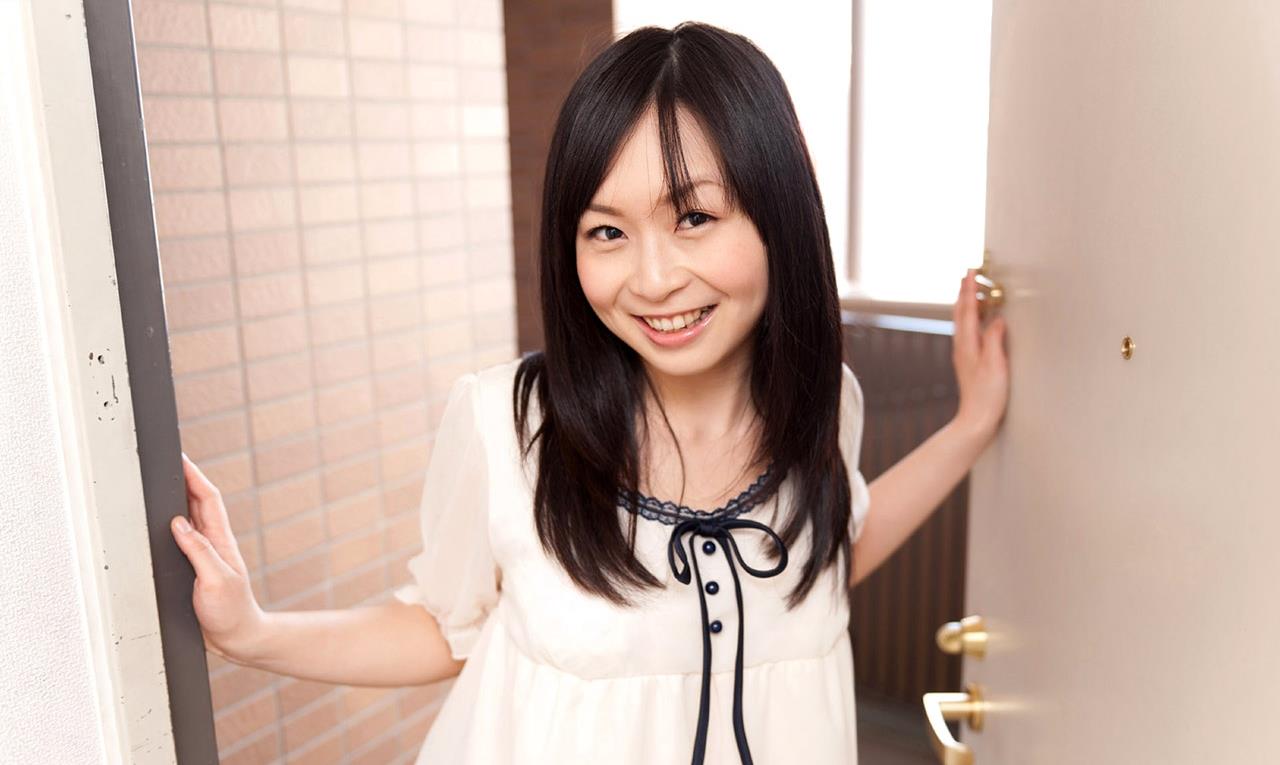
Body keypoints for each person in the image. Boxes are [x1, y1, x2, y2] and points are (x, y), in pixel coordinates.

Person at [170, 21, 1009, 765]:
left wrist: (971, 426)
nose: (652, 278)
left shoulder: (821, 402)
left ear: (779, 216)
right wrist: (254, 633)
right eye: (607, 231)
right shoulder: (509, 425)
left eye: (693, 217)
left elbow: (825, 555)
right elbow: (442, 625)